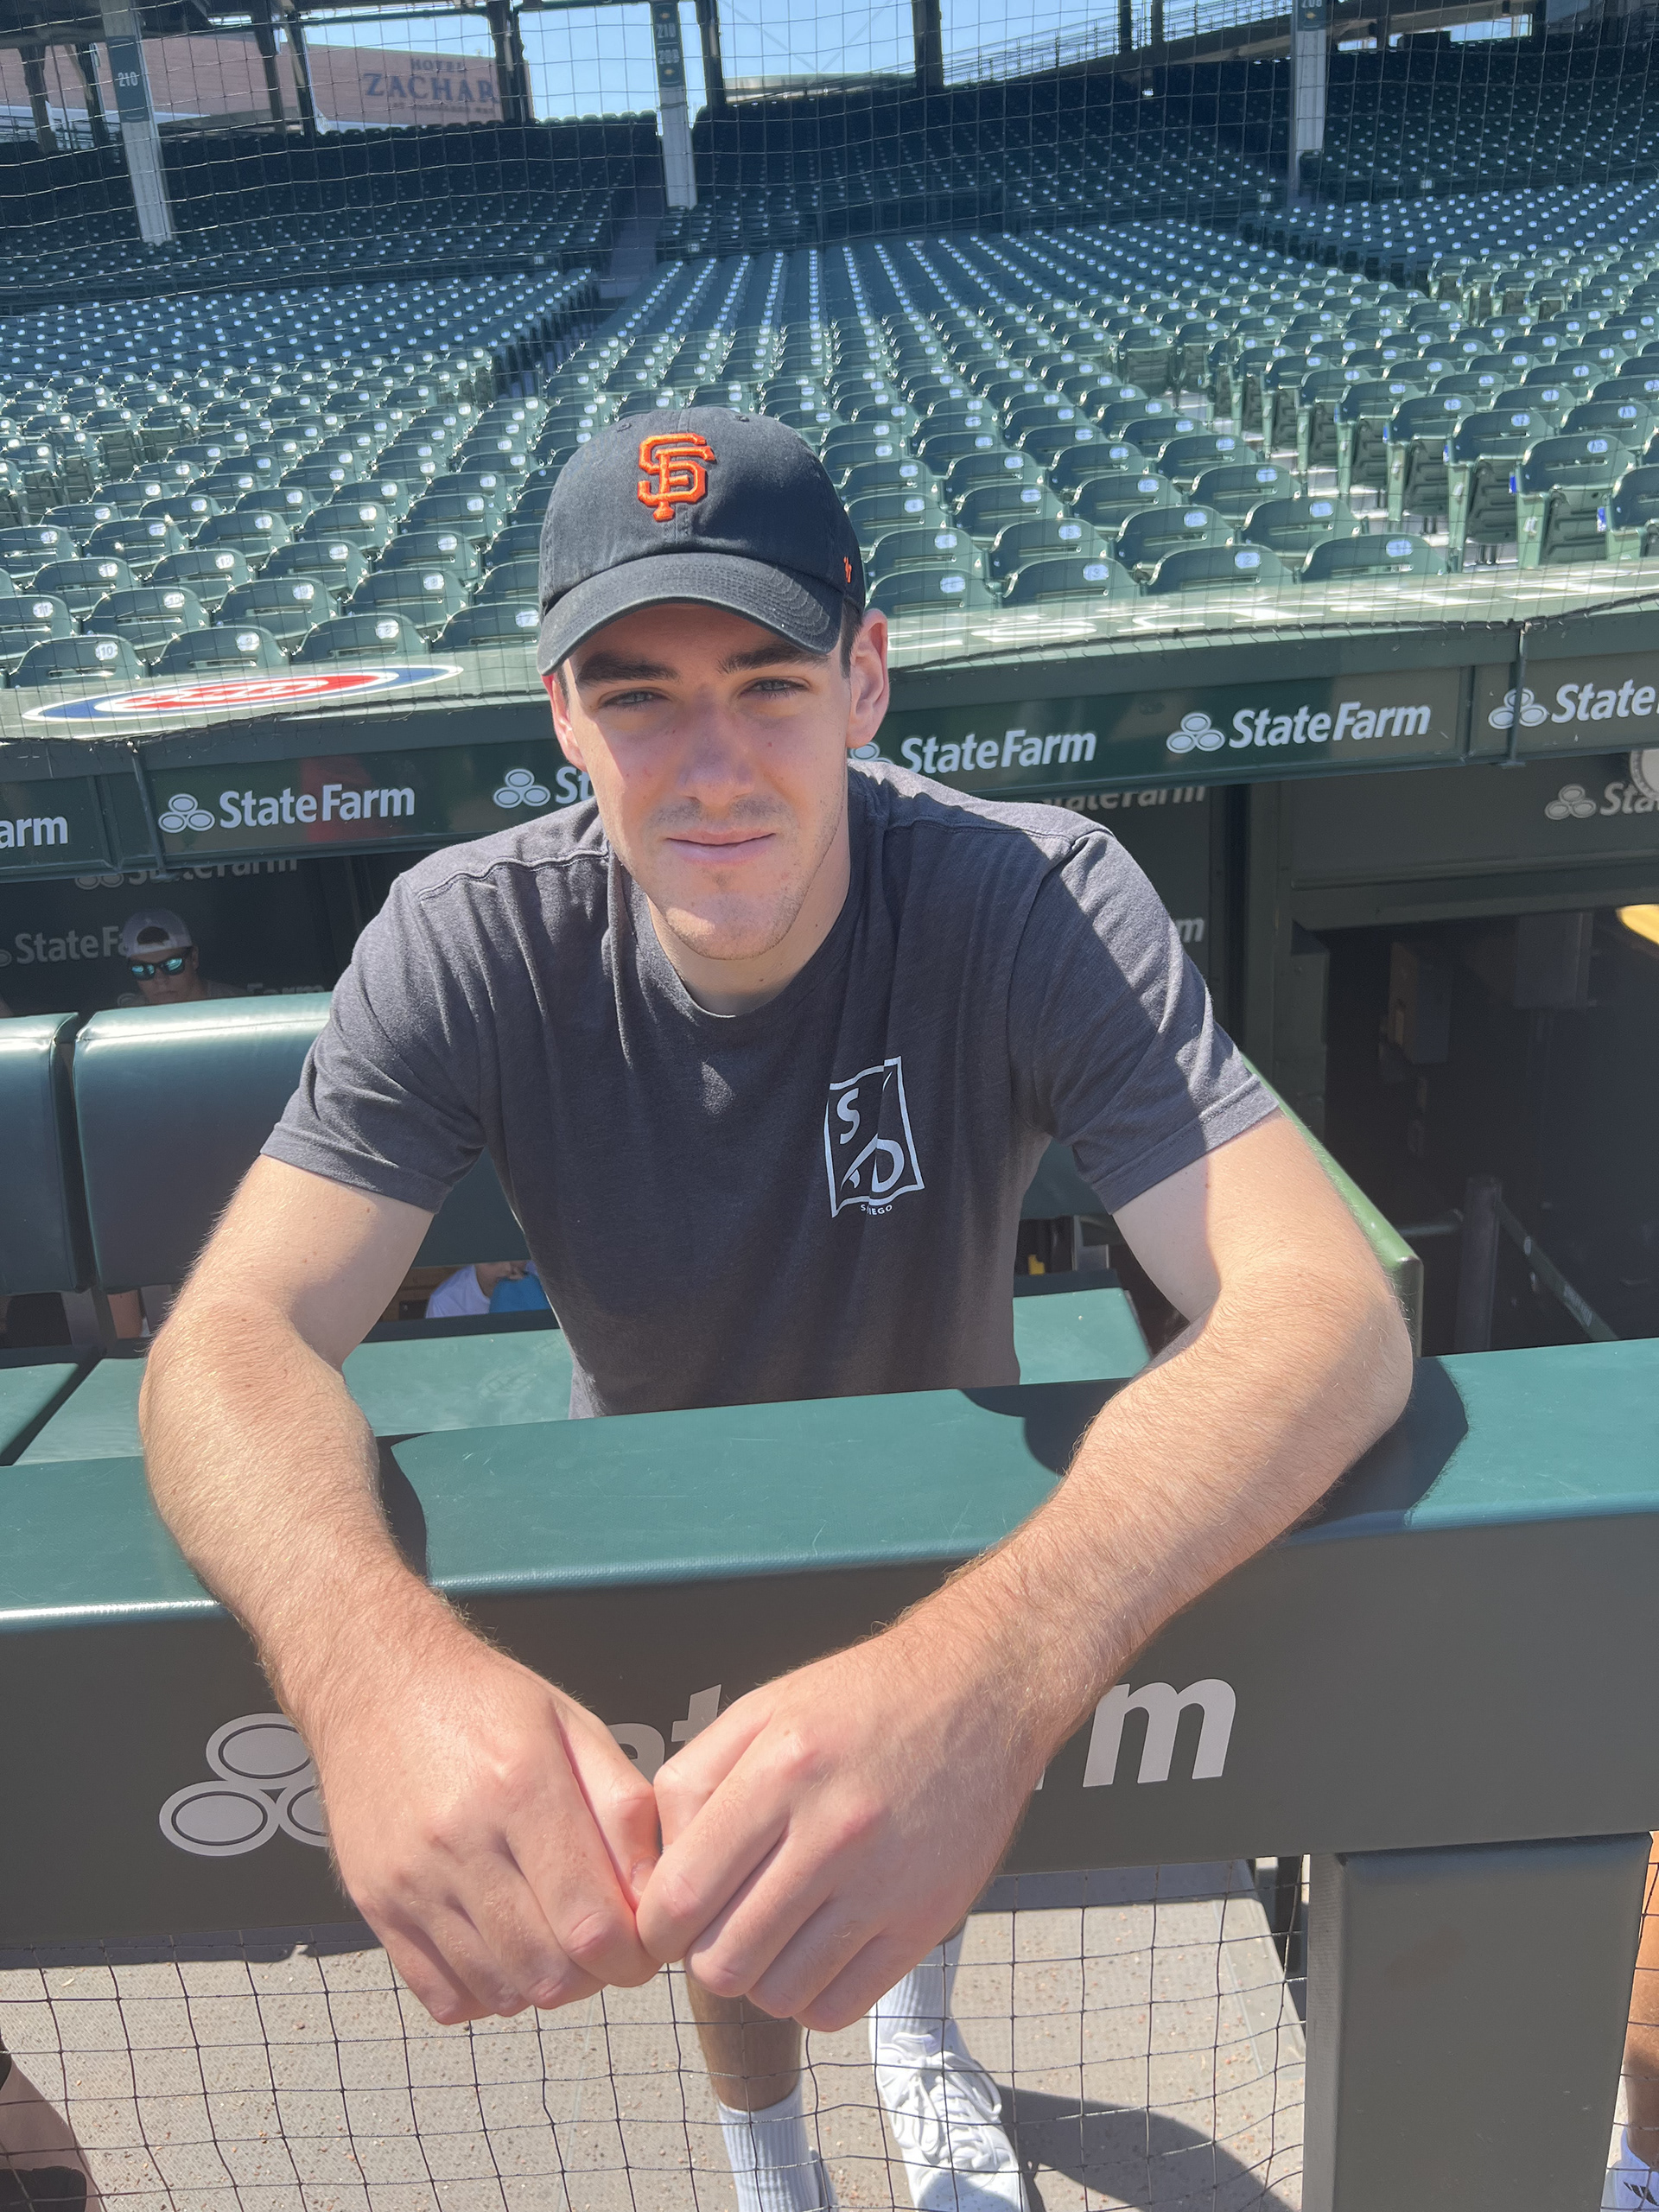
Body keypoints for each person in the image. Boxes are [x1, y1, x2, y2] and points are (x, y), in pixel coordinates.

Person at [140, 410, 1412, 2212]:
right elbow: (229, 1336)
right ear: (562, 717)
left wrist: (983, 1683)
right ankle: (768, 2145)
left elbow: (1322, 1307)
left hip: (947, 1510)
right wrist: (367, 1665)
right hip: (661, 1505)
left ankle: (920, 2040)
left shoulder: (1028, 889)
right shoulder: (464, 934)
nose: (713, 759)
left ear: (865, 677)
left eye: (768, 678)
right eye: (638, 693)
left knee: (907, 1856)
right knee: (726, 1954)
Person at [115, 910, 245, 1009]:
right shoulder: (125, 1025)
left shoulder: (241, 1009)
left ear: (193, 958)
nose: (160, 980)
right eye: (142, 970)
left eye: (172, 964)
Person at [424, 1261, 527, 1319]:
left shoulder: (541, 1278)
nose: (508, 1268)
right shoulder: (446, 1303)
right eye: (494, 1260)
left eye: (516, 1256)